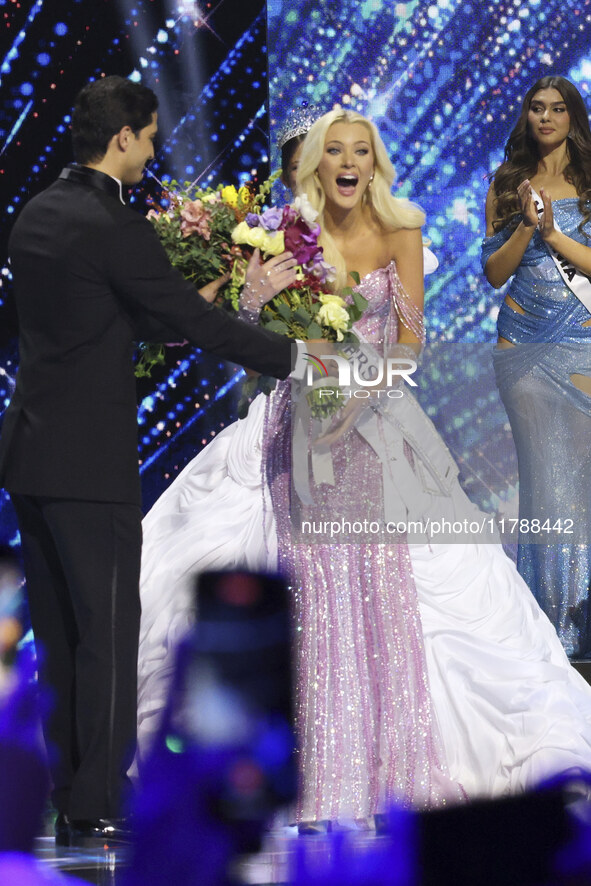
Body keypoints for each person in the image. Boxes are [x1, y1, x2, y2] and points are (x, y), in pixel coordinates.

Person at [137, 108, 591, 831]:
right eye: (331, 152)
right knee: (307, 587)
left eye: (360, 151)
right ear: (312, 163)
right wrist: (253, 299)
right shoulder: (281, 234)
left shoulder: (399, 228)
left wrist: (359, 393)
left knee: (389, 581)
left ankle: (390, 767)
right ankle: (312, 770)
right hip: (297, 425)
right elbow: (238, 332)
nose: (345, 163)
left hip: (376, 425)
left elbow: (411, 340)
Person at [0, 74, 302, 847]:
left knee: (63, 634)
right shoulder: (114, 224)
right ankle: (100, 802)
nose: (153, 151)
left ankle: (71, 791)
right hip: (91, 466)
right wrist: (293, 355)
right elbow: (178, 324)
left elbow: (113, 318)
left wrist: (192, 297)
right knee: (105, 631)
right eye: (150, 138)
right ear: (124, 137)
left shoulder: (35, 214)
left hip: (31, 456)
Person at [483, 75, 591, 658]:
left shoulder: (590, 184)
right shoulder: (507, 183)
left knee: (582, 493)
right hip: (522, 351)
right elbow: (494, 273)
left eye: (557, 108)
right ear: (526, 116)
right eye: (535, 107)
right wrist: (527, 224)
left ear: (573, 117)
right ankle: (548, 645)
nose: (545, 117)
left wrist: (554, 231)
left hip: (583, 345)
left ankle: (580, 630)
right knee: (546, 491)